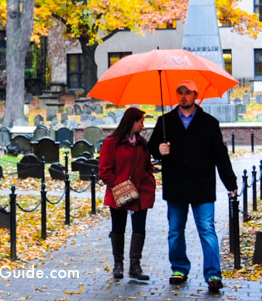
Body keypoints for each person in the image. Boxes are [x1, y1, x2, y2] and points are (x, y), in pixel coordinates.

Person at [148, 80, 237, 293]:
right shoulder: (165, 122)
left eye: (187, 92)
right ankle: (179, 268)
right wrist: (159, 149)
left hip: (202, 186)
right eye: (180, 92)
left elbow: (220, 155)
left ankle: (213, 274)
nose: (183, 96)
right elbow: (151, 147)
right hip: (176, 185)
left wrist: (230, 183)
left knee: (207, 230)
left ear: (196, 95)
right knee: (175, 230)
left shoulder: (208, 122)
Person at [99, 107, 156, 280]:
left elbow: (148, 166)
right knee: (118, 228)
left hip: (141, 194)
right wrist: (120, 186)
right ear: (132, 122)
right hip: (119, 194)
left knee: (139, 229)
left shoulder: (142, 144)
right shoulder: (112, 143)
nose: (143, 125)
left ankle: (135, 266)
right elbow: (104, 170)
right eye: (141, 121)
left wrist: (149, 179)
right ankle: (118, 265)